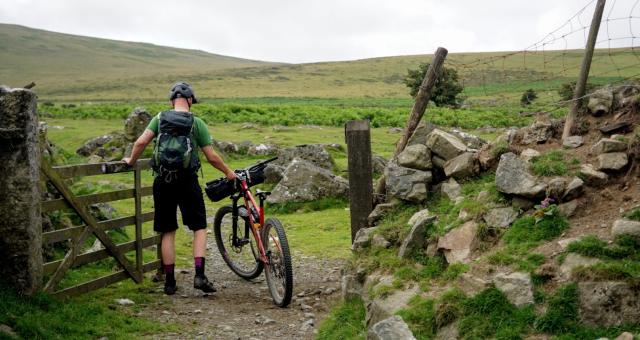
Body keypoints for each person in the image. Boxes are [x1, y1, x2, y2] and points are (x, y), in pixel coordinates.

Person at [123, 82, 236, 295]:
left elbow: (140, 143)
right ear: (191, 100)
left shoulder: (159, 118)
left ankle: (169, 282)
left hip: (162, 181)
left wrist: (130, 161)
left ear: (171, 101)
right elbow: (211, 156)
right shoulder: (197, 123)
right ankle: (200, 275)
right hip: (187, 181)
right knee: (199, 227)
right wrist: (229, 173)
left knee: (168, 230)